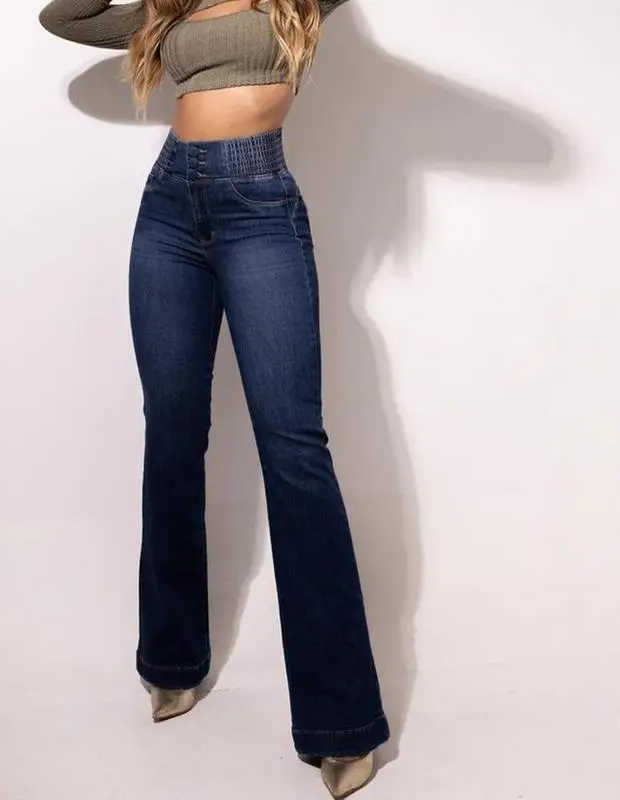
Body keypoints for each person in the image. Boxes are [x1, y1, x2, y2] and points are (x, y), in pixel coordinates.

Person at [38, 0, 390, 795]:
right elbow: (64, 17)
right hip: (168, 209)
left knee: (294, 449)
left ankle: (341, 717)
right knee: (171, 433)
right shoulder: (172, 9)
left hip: (260, 207)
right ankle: (171, 658)